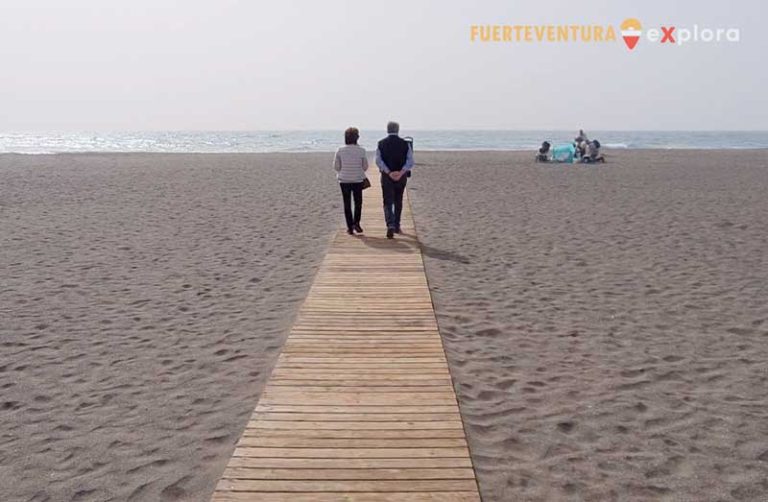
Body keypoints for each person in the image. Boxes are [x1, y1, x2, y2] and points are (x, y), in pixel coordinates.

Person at [376, 121, 414, 239]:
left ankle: (390, 224)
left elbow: (378, 161)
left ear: (387, 130)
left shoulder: (381, 143)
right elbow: (410, 161)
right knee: (398, 200)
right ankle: (397, 225)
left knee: (387, 201)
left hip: (387, 176)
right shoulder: (405, 143)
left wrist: (388, 172)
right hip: (401, 176)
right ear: (398, 130)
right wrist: (401, 172)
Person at [333, 127, 369, 234]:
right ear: (357, 138)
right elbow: (365, 167)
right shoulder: (361, 150)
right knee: (358, 202)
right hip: (358, 179)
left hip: (344, 180)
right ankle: (356, 223)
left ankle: (349, 227)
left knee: (347, 203)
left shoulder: (340, 150)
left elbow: (336, 167)